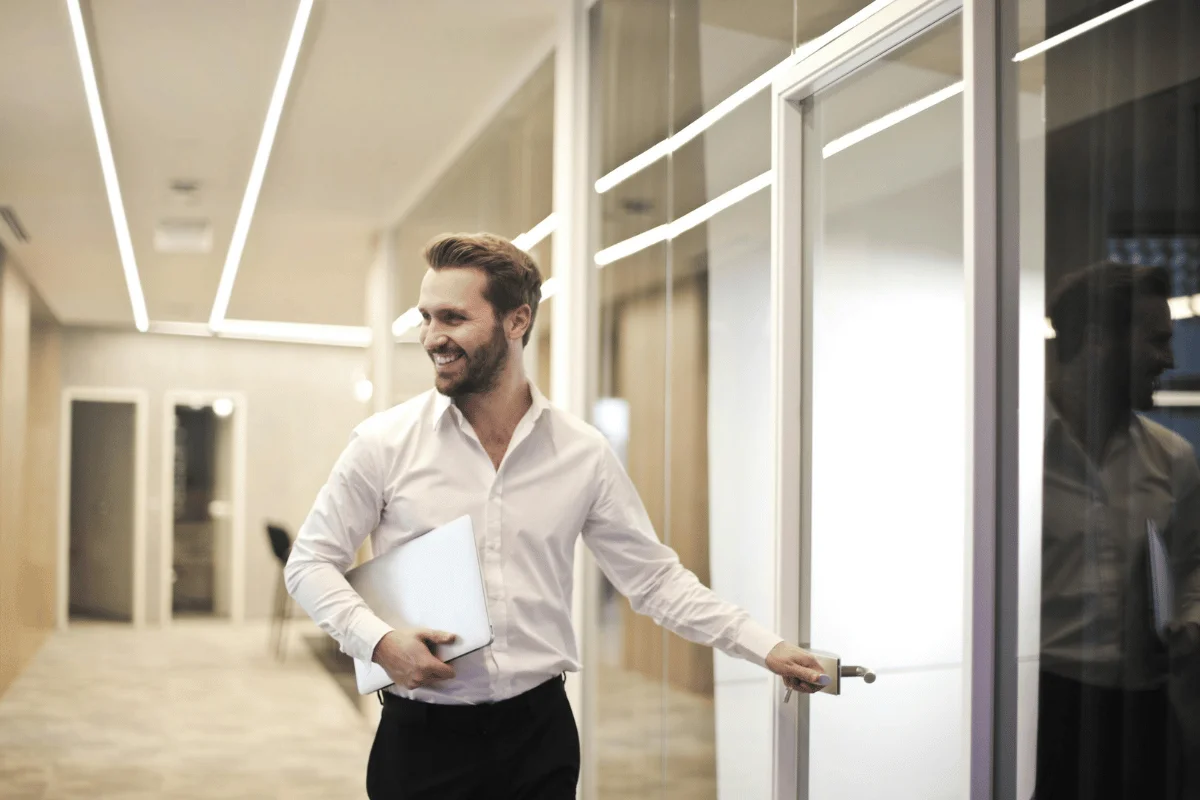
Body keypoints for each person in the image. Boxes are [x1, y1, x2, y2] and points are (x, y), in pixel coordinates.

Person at [284, 232, 829, 800]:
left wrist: (764, 645)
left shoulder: (581, 451)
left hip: (537, 737)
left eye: (452, 317)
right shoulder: (383, 443)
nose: (431, 337)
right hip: (422, 741)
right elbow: (310, 563)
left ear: (516, 321)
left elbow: (653, 579)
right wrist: (377, 642)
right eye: (425, 317)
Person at [1036, 263, 1200, 800]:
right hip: (1041, 702)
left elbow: (1194, 564)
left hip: (1145, 707)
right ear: (1097, 341)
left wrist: (1190, 621)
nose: (1170, 360)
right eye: (1155, 340)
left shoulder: (1172, 457)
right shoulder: (1010, 459)